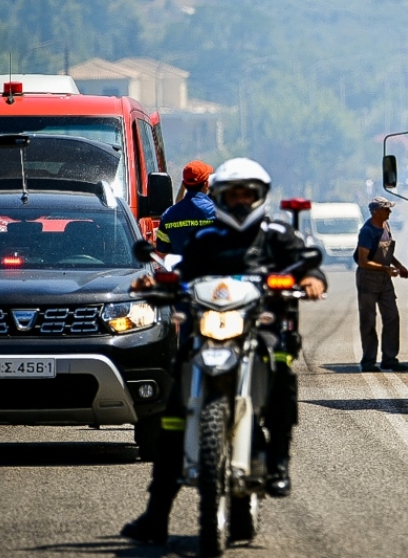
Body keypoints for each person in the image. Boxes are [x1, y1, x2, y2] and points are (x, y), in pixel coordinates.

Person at [122, 157, 326, 546]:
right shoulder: (206, 239)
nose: (238, 202)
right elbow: (178, 271)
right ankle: (156, 515)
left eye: (245, 195)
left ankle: (278, 463)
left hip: (261, 327)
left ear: (259, 197)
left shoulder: (277, 235)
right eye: (230, 195)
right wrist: (155, 281)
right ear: (217, 197)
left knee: (282, 368)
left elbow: (306, 264)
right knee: (173, 413)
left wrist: (311, 280)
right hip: (210, 326)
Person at [355, 196, 408, 372]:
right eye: (386, 209)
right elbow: (363, 261)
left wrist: (399, 266)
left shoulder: (386, 227)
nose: (390, 212)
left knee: (392, 317)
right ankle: (368, 361)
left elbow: (386, 252)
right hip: (368, 280)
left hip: (384, 281)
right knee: (368, 321)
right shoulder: (367, 231)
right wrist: (386, 269)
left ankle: (389, 358)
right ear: (376, 212)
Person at [154, 160, 215, 256]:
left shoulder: (168, 215)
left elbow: (162, 252)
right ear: (207, 184)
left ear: (185, 184)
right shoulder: (216, 212)